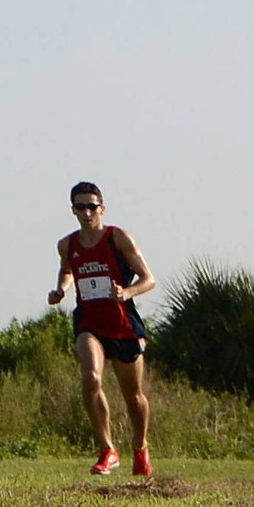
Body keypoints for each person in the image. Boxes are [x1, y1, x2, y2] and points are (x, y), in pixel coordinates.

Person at [48, 181, 157, 477]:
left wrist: (127, 292)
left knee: (133, 396)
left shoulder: (118, 238)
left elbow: (149, 278)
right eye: (80, 207)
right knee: (90, 377)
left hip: (122, 324)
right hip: (89, 322)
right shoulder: (67, 245)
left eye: (92, 207)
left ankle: (139, 445)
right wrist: (60, 289)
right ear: (73, 210)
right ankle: (107, 449)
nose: (86, 213)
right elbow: (67, 269)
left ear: (102, 208)